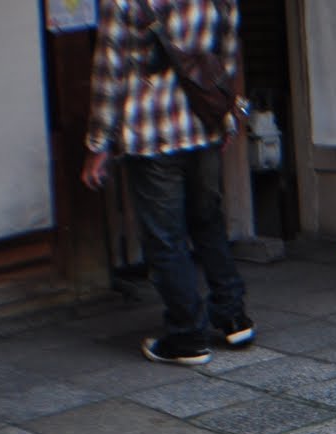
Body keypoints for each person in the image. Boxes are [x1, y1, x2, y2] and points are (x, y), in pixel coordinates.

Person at [81, 0, 255, 367]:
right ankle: (232, 317)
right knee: (208, 220)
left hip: (151, 130)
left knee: (166, 238)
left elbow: (108, 72)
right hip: (202, 123)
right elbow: (226, 54)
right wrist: (227, 116)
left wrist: (98, 145)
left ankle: (187, 336)